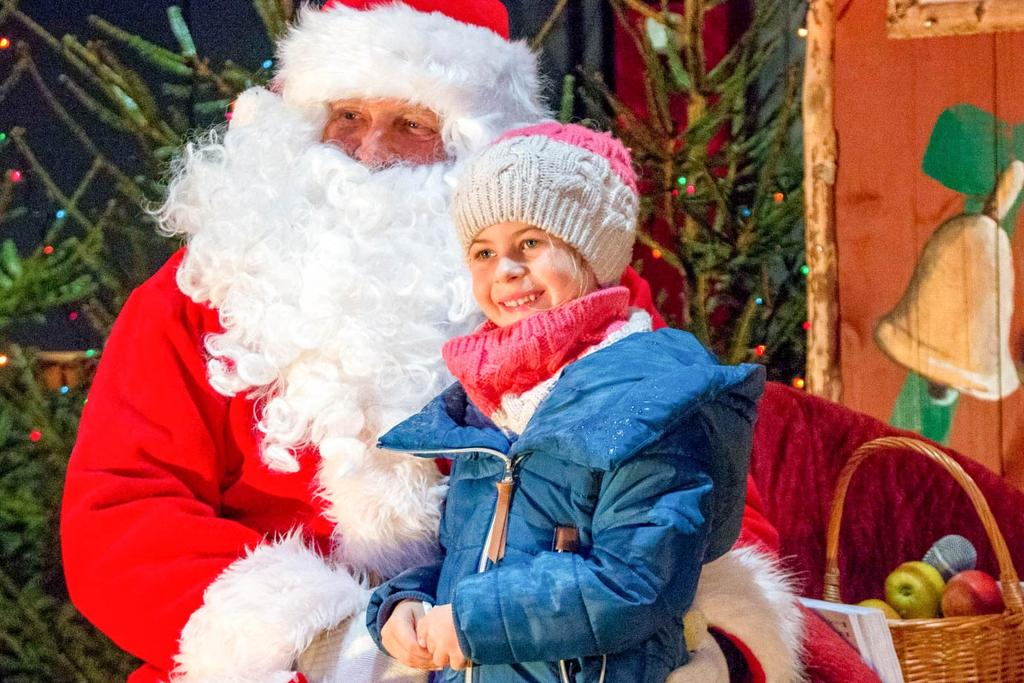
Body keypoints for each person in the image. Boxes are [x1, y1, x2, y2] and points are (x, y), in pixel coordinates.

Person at [60, 2, 804, 683]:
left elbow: (706, 489)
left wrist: (714, 644)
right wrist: (326, 638)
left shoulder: (578, 297)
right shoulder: (203, 290)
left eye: (412, 125)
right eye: (346, 114)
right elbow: (120, 517)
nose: (369, 151)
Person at [367, 123, 765, 682]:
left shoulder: (647, 401)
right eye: (483, 252)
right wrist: (407, 603)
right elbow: (476, 558)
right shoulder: (491, 405)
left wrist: (474, 621)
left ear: (589, 252)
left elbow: (636, 582)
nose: (505, 270)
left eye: (530, 243)